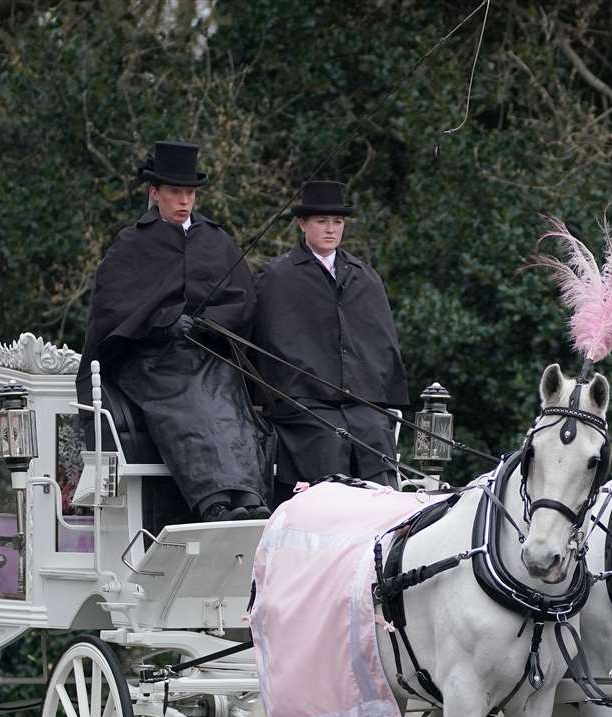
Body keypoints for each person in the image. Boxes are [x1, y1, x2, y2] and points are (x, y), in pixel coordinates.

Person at [76, 140, 269, 521]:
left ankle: (247, 495)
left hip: (207, 352)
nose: (184, 201)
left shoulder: (216, 240)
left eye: (190, 193)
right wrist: (163, 323)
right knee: (191, 400)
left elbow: (243, 301)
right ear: (155, 193)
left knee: (227, 392)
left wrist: (210, 324)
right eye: (175, 193)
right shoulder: (131, 243)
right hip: (150, 359)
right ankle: (213, 501)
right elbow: (111, 309)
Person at [252, 180, 409, 503]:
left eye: (337, 222)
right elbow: (266, 345)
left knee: (375, 433)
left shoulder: (364, 276)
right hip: (303, 403)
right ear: (302, 223)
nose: (330, 229)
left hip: (359, 401)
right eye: (322, 221)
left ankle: (383, 525)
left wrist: (370, 392)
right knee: (327, 437)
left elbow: (382, 343)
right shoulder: (277, 277)